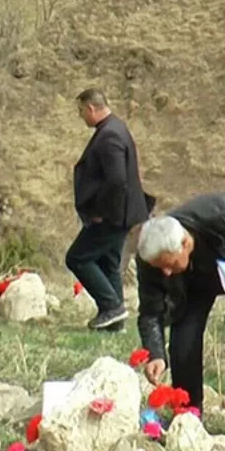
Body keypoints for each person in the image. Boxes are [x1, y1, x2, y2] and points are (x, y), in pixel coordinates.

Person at [136, 193, 225, 445]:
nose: (164, 272)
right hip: (191, 285)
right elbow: (149, 310)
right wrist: (155, 353)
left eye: (168, 264)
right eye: (160, 267)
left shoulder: (221, 212)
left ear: (185, 243)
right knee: (183, 342)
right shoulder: (151, 256)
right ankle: (189, 414)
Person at [66, 88, 153, 330]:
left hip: (113, 215)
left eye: (81, 111)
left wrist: (101, 211)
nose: (81, 116)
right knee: (107, 263)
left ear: (91, 108)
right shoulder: (115, 128)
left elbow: (116, 180)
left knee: (77, 257)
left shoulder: (109, 136)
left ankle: (111, 307)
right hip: (122, 213)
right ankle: (115, 322)